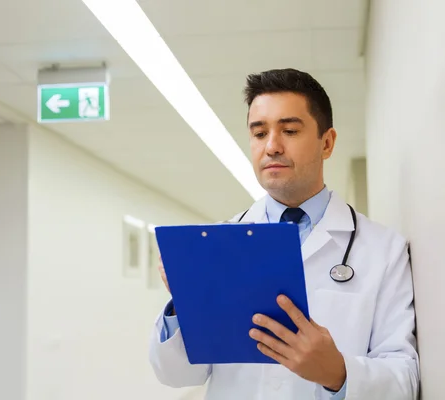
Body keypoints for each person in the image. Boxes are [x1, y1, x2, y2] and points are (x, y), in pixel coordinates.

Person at [149, 68, 419, 399]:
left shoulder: (383, 249)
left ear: (327, 142)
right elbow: (177, 375)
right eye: (259, 134)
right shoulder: (219, 243)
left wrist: (337, 372)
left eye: (289, 130)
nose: (272, 146)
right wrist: (183, 304)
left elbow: (404, 377)